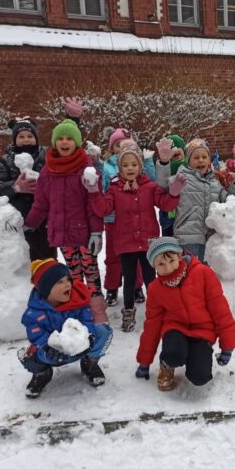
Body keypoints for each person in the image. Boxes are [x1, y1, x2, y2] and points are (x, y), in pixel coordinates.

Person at [86, 142, 185, 332]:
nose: (130, 168)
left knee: (151, 279)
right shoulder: (115, 189)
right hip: (125, 243)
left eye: (134, 164)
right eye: (125, 165)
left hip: (148, 243)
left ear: (140, 166)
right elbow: (103, 209)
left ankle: (156, 309)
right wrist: (93, 193)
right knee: (129, 280)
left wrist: (173, 193)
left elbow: (165, 205)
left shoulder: (149, 186)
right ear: (120, 167)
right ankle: (129, 310)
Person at [24, 119, 107, 324]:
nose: (64, 142)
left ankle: (97, 311)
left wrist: (97, 232)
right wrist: (30, 223)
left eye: (69, 138)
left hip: (84, 233)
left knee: (91, 272)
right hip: (61, 233)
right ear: (54, 142)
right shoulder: (47, 172)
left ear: (77, 143)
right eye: (60, 138)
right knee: (72, 275)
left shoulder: (86, 170)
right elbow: (41, 203)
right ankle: (79, 310)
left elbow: (93, 204)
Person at [134, 237, 235, 391]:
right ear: (154, 267)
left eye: (171, 260)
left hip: (203, 331)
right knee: (173, 354)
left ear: (179, 256)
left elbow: (220, 311)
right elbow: (152, 325)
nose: (168, 268)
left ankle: (194, 356)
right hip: (175, 329)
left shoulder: (203, 273)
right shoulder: (155, 289)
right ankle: (167, 364)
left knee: (199, 377)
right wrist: (144, 361)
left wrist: (227, 345)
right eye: (161, 264)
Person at [18, 258, 113, 398]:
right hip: (54, 354)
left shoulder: (77, 302)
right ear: (46, 288)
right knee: (28, 355)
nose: (68, 285)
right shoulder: (33, 314)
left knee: (103, 331)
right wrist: (47, 351)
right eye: (60, 282)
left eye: (68, 280)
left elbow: (87, 321)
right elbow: (37, 338)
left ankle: (89, 364)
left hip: (81, 348)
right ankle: (42, 373)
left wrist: (89, 337)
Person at [159, 137, 235, 262]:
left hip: (210, 237)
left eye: (204, 157)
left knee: (206, 274)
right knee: (189, 274)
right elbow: (162, 186)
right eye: (196, 157)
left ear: (209, 159)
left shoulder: (213, 182)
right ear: (188, 160)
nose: (201, 160)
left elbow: (227, 201)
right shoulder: (181, 178)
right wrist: (164, 163)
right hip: (187, 237)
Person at [99, 129, 155, 306]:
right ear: (112, 147)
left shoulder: (138, 164)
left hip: (136, 218)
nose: (121, 147)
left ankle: (137, 287)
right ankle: (112, 287)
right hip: (113, 218)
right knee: (114, 257)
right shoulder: (107, 165)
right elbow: (103, 189)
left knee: (136, 256)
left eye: (127, 144)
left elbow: (150, 183)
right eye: (117, 144)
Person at [0, 117, 54, 261]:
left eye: (30, 136)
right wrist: (15, 187)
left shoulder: (47, 156)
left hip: (46, 220)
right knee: (21, 264)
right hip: (18, 221)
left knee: (48, 261)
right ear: (14, 139)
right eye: (21, 137)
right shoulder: (5, 160)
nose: (26, 140)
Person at [158, 134, 186, 237]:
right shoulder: (164, 167)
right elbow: (161, 184)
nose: (176, 150)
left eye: (178, 147)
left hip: (186, 215)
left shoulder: (190, 165)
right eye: (172, 149)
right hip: (169, 217)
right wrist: (164, 163)